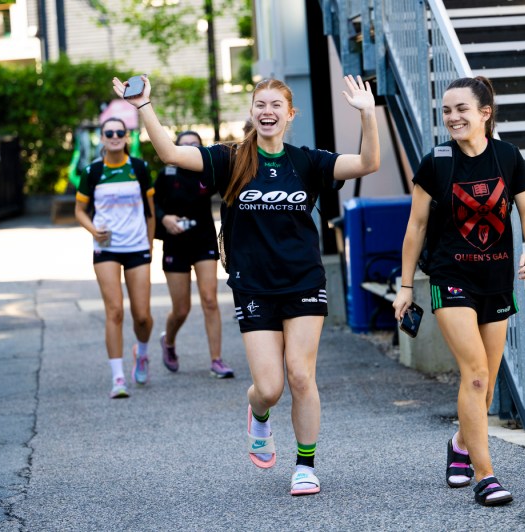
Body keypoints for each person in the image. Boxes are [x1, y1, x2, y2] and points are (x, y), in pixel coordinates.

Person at [114, 74, 380, 495]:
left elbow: (368, 163)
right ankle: (258, 414)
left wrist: (368, 116)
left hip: (304, 281)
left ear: (290, 114)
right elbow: (169, 152)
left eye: (277, 105)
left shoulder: (308, 162)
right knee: (270, 388)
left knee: (300, 376)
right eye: (261, 105)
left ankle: (305, 465)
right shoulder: (230, 159)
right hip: (253, 286)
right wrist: (143, 105)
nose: (268, 111)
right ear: (253, 112)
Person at [392, 76, 525, 507]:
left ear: (484, 113)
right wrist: (405, 287)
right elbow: (415, 228)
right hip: (450, 276)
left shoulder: (507, 157)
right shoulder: (436, 162)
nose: (452, 117)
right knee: (474, 374)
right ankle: (486, 476)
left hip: (496, 280)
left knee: (487, 386)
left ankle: (460, 443)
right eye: (446, 110)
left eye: (461, 109)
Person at [74, 117, 155, 399]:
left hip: (137, 248)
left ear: (127, 137)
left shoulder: (139, 168)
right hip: (106, 248)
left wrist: (149, 245)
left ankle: (141, 353)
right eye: (109, 133)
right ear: (102, 138)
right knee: (115, 311)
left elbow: (150, 212)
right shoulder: (92, 171)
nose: (115, 136)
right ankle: (118, 377)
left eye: (120, 132)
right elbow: (80, 210)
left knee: (142, 316)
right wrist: (93, 230)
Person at [155, 130, 233, 378]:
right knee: (181, 309)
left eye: (195, 145)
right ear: (176, 147)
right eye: (184, 144)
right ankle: (168, 341)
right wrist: (164, 218)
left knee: (210, 300)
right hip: (175, 242)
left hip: (203, 240)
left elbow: (232, 186)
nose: (189, 149)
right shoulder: (167, 173)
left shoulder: (207, 172)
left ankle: (216, 360)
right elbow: (152, 205)